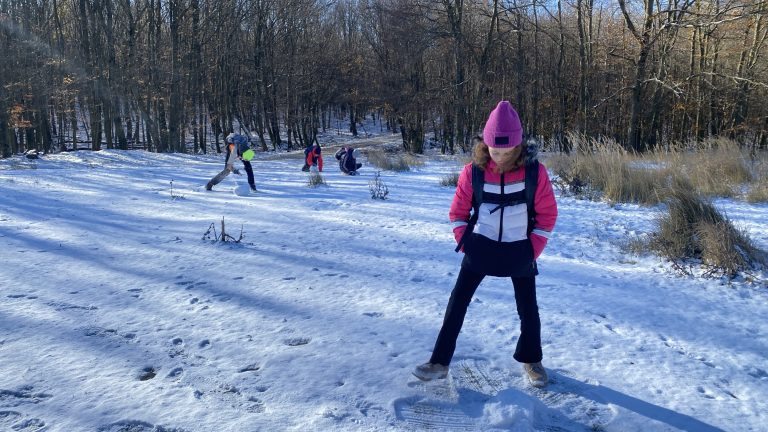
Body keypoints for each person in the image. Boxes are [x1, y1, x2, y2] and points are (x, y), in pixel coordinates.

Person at [412, 101, 558, 388]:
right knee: (457, 302)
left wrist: (533, 250)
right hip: (481, 247)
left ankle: (532, 360)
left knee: (528, 308)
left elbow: (547, 214)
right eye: (495, 151)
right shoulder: (473, 172)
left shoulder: (535, 173)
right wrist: (466, 242)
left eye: (508, 152)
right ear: (485, 145)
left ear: (519, 146)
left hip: (520, 250)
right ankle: (439, 362)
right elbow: (458, 212)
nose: (500, 158)